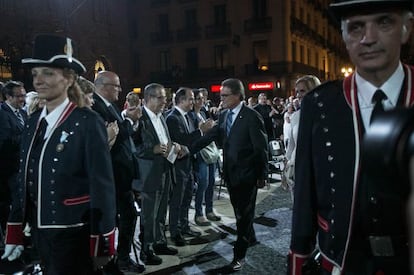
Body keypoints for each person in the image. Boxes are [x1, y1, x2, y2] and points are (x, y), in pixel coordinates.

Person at [289, 1, 414, 274]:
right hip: (341, 262)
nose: (368, 38)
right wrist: (298, 259)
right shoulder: (319, 104)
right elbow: (304, 197)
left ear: (406, 28)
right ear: (343, 37)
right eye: (356, 27)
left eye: (383, 22)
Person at [1, 34, 117, 274]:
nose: (39, 81)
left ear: (69, 78)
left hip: (75, 237)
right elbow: (24, 179)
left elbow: (102, 187)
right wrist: (14, 230)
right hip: (40, 236)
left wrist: (103, 244)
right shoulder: (33, 122)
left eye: (48, 73)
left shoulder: (87, 122)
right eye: (35, 74)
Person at [191, 78, 268, 272]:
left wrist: (262, 175)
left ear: (237, 95)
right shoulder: (224, 115)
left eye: (225, 95)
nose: (221, 99)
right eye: (221, 95)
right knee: (240, 211)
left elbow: (261, 148)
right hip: (231, 175)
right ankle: (250, 236)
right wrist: (186, 149)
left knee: (243, 215)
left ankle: (239, 255)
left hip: (248, 176)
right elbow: (210, 136)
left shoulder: (251, 116)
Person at [93, 70, 144, 273]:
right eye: (116, 86)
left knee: (128, 215)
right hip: (110, 177)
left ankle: (121, 258)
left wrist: (129, 122)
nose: (120, 89)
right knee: (110, 222)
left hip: (121, 177)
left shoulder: (109, 106)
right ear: (104, 86)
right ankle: (110, 263)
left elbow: (122, 135)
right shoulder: (94, 107)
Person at [135, 83, 182, 265]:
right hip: (149, 174)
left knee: (162, 210)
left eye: (165, 97)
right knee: (149, 214)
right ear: (149, 99)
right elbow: (133, 147)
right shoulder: (140, 117)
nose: (165, 101)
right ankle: (146, 250)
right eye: (161, 97)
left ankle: (160, 242)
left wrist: (173, 147)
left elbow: (164, 140)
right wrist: (151, 149)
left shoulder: (161, 117)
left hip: (165, 169)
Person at [166, 87, 213, 246]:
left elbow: (190, 143)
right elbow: (181, 140)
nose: (193, 102)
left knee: (186, 198)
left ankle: (184, 226)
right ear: (181, 100)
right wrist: (200, 131)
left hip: (188, 164)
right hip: (178, 166)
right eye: (191, 98)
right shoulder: (173, 118)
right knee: (177, 201)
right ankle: (175, 232)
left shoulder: (186, 116)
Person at [285, 75, 321, 201]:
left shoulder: (326, 115)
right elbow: (291, 146)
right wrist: (287, 166)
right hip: (297, 170)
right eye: (297, 92)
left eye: (302, 91)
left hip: (318, 171)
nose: (299, 95)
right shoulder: (295, 116)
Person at [189, 89, 221, 226]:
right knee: (203, 183)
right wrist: (203, 129)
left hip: (210, 151)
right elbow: (193, 134)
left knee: (211, 182)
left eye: (203, 98)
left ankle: (209, 210)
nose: (203, 100)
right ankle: (198, 213)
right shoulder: (190, 116)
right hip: (200, 152)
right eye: (199, 98)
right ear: (194, 101)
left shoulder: (203, 113)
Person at [0, 81, 27, 238]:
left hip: (21, 168)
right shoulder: (2, 114)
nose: (23, 99)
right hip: (9, 169)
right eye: (19, 96)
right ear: (8, 97)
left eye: (24, 95)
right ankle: (12, 238)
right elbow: (5, 140)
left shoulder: (22, 113)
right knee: (16, 203)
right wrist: (28, 137)